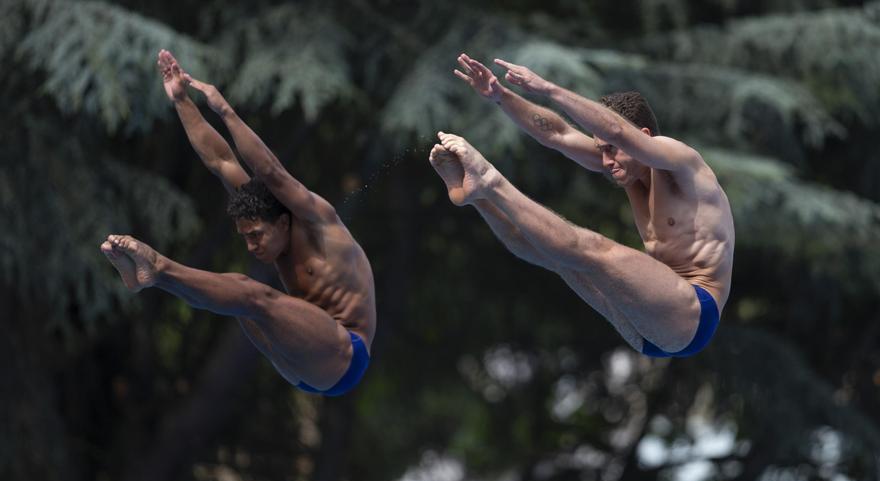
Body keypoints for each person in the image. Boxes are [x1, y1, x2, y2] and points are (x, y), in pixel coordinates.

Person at [101, 50, 375, 394]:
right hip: (298, 357)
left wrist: (224, 110)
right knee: (240, 304)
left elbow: (271, 171)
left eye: (257, 235)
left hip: (342, 354)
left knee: (250, 294)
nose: (251, 245)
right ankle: (150, 278)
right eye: (245, 237)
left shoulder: (320, 222)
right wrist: (181, 99)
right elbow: (219, 159)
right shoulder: (261, 209)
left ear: (284, 223)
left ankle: (157, 269)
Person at [428, 53, 734, 357]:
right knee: (548, 253)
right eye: (601, 150)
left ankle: (490, 181)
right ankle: (480, 198)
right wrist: (501, 96)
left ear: (642, 137)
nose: (605, 161)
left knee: (591, 247)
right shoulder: (623, 165)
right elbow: (558, 134)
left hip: (692, 312)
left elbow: (616, 130)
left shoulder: (681, 163)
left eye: (612, 150)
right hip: (647, 330)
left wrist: (548, 88)